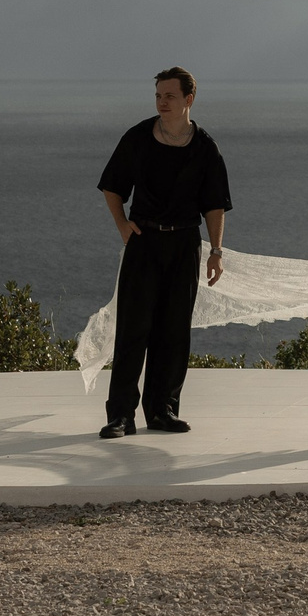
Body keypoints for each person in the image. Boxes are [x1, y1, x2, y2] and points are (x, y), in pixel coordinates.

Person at [97, 66, 231, 439]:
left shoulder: (205, 147)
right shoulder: (138, 138)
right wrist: (123, 225)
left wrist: (216, 251)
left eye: (169, 96)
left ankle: (163, 410)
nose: (162, 102)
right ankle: (121, 416)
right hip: (144, 243)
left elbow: (215, 206)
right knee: (132, 331)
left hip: (186, 244)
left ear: (189, 100)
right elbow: (112, 186)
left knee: (173, 332)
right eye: (158, 96)